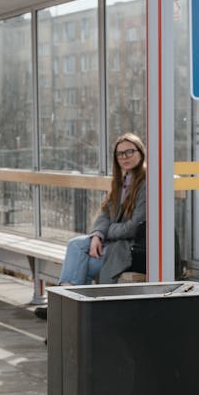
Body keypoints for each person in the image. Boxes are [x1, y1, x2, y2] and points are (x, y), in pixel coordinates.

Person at [35, 133, 147, 318]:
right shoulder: (122, 181)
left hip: (129, 248)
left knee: (81, 261)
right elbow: (105, 213)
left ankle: (63, 308)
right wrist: (97, 236)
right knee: (76, 247)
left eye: (130, 152)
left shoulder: (145, 183)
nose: (124, 157)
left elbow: (134, 226)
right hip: (113, 243)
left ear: (140, 153)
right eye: (120, 154)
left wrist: (106, 233)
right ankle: (68, 310)